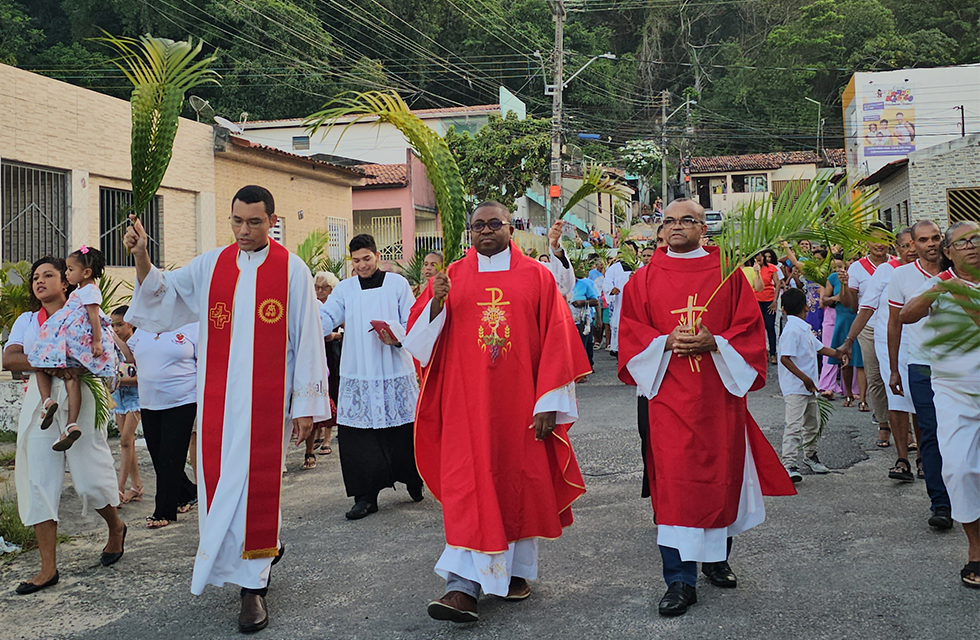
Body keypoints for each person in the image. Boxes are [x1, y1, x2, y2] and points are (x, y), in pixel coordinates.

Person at [123, 185, 330, 633]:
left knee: (256, 486)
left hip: (267, 403)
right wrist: (141, 255)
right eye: (237, 221)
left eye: (254, 222)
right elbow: (162, 295)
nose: (244, 230)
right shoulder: (212, 265)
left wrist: (306, 405)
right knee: (220, 486)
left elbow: (308, 340)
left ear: (271, 220)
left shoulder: (291, 269)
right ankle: (250, 556)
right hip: (218, 402)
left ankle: (252, 587)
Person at [404, 201, 590, 623]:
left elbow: (558, 341)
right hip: (465, 405)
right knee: (470, 487)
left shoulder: (537, 277)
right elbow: (419, 346)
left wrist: (549, 403)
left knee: (516, 483)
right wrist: (435, 303)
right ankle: (462, 587)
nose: (485, 231)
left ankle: (512, 573)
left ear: (511, 228)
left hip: (521, 405)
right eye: (477, 225)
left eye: (494, 224)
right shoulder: (450, 276)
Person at [617, 199, 795, 617]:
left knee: (721, 475)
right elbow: (630, 333)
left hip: (718, 398)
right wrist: (665, 342)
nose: (677, 227)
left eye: (687, 221)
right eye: (670, 221)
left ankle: (717, 559)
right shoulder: (642, 280)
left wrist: (716, 341)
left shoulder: (728, 276)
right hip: (669, 400)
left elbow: (749, 330)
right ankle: (679, 580)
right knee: (675, 484)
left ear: (703, 228)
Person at [6, 257, 126, 595]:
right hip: (42, 400)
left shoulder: (84, 310)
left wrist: (68, 362)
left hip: (81, 393)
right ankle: (48, 568)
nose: (40, 281)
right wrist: (54, 360)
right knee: (38, 478)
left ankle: (115, 526)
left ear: (67, 281)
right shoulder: (28, 320)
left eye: (49, 275)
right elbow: (10, 358)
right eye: (35, 277)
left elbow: (104, 352)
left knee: (90, 477)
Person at [319, 234, 424, 520]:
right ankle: (365, 497)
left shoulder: (397, 284)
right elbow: (327, 317)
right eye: (356, 260)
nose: (362, 265)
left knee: (402, 431)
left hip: (392, 366)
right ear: (350, 262)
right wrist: (305, 313)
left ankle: (413, 479)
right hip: (359, 370)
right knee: (359, 436)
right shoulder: (345, 289)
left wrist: (397, 336)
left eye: (367, 258)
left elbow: (411, 320)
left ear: (377, 256)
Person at [901, 221, 980, 587]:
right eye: (962, 242)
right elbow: (907, 314)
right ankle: (975, 551)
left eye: (977, 239)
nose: (972, 246)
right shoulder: (938, 284)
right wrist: (939, 289)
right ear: (948, 252)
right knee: (960, 470)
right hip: (953, 394)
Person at [888, 219, 953, 529]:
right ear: (912, 244)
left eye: (936, 237)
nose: (931, 243)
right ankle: (940, 504)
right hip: (921, 365)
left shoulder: (959, 271)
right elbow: (894, 323)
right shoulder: (901, 276)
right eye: (924, 239)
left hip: (960, 365)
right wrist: (893, 369)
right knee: (930, 433)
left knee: (961, 433)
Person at [843, 229, 918, 480]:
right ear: (896, 248)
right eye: (905, 245)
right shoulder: (887, 271)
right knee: (897, 399)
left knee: (920, 402)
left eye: (913, 243)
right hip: (890, 345)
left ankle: (923, 458)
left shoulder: (932, 271)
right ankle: (902, 460)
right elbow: (865, 308)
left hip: (922, 345)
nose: (911, 249)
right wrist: (849, 340)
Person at [29, 247, 119, 451]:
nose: (67, 273)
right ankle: (71, 424)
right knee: (72, 378)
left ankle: (47, 402)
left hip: (72, 337)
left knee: (38, 362)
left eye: (69, 269)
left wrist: (96, 341)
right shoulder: (80, 291)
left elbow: (94, 316)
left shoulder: (89, 290)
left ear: (86, 273)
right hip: (71, 337)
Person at [128, 322, 200, 529]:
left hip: (183, 400)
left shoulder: (192, 325)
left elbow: (204, 362)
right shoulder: (144, 327)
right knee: (159, 456)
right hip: (149, 402)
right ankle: (188, 492)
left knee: (170, 455)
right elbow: (129, 354)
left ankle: (163, 511)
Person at [839, 225, 893, 445]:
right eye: (874, 240)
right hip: (868, 329)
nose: (879, 244)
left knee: (897, 376)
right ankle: (883, 424)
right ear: (866, 243)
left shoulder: (897, 264)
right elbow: (851, 306)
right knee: (876, 378)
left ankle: (907, 426)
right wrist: (843, 286)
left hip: (895, 328)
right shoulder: (857, 269)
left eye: (883, 239)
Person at [778, 288, 838, 482]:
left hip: (808, 387)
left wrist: (840, 352)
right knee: (794, 425)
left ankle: (810, 456)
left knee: (811, 423)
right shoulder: (791, 331)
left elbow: (821, 349)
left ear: (783, 309)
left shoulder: (802, 328)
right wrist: (805, 378)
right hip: (796, 387)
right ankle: (789, 463)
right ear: (806, 306)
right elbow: (785, 359)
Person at [110, 305, 143, 504]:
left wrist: (116, 380)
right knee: (127, 442)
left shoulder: (138, 343)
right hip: (119, 397)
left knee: (125, 440)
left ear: (131, 324)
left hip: (136, 397)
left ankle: (120, 487)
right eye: (113, 325)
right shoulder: (113, 347)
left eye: (120, 325)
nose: (116, 329)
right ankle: (136, 486)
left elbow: (140, 374)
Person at [312, 271, 342, 459]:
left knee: (331, 391)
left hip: (333, 349)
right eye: (317, 287)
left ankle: (327, 438)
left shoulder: (337, 305)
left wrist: (337, 335)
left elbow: (348, 328)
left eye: (325, 287)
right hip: (316, 350)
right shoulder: (312, 305)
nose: (320, 291)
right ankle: (317, 432)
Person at [602, 240, 638, 356]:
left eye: (630, 250)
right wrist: (611, 289)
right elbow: (606, 282)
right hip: (620, 302)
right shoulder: (614, 268)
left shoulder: (641, 266)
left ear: (636, 252)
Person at [568, 261, 602, 369]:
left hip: (582, 321)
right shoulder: (559, 286)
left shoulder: (584, 284)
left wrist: (582, 303)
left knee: (584, 346)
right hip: (567, 321)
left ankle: (585, 367)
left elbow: (595, 301)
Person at [752, 251, 781, 365]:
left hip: (769, 300)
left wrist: (775, 301)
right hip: (756, 300)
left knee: (769, 326)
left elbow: (777, 284)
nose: (758, 258)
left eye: (760, 256)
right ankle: (761, 353)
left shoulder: (771, 268)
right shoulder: (752, 269)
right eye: (756, 256)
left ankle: (773, 353)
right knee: (758, 328)